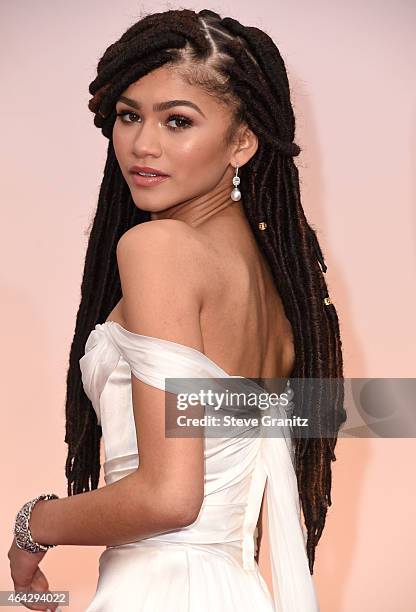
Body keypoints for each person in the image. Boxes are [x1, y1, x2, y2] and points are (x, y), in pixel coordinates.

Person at [9, 8, 347, 611]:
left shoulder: (159, 248)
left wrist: (32, 526)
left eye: (178, 121)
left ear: (242, 141)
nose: (143, 144)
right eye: (129, 115)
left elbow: (169, 498)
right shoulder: (274, 286)